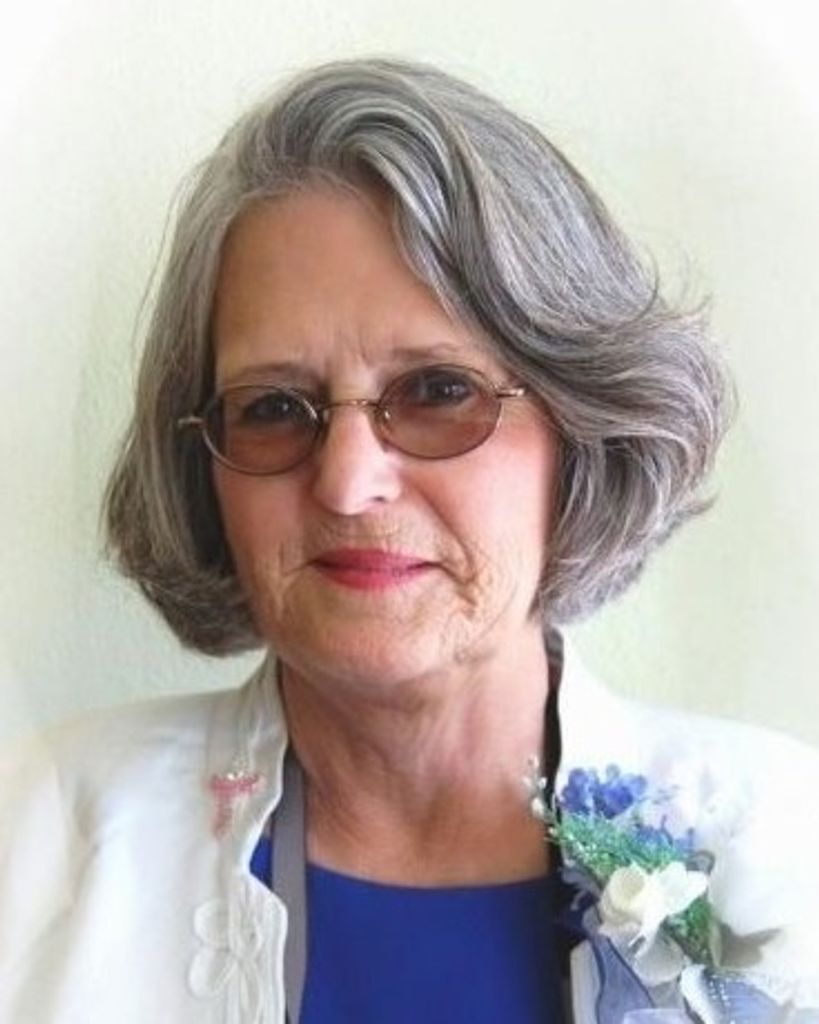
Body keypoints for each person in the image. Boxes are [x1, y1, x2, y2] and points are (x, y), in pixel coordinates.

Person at [1, 58, 817, 1024]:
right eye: (273, 407)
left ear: (581, 425)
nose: (347, 485)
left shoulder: (780, 851)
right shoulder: (38, 837)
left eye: (437, 391)